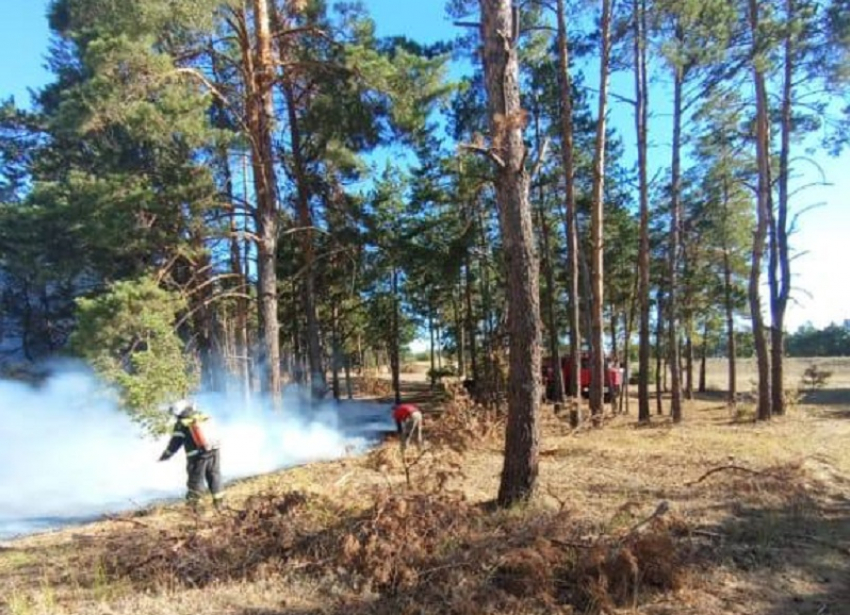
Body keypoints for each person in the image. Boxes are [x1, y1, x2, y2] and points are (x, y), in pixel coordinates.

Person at [158, 399, 224, 511]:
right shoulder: (202, 416)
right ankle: (220, 504)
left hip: (197, 458)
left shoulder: (182, 424)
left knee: (195, 481)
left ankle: (195, 509)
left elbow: (175, 443)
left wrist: (166, 455)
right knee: (215, 476)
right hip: (214, 451)